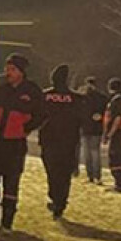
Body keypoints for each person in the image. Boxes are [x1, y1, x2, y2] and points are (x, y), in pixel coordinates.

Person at [0, 53, 46, 229]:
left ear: (21, 72)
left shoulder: (31, 90)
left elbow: (42, 114)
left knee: (11, 182)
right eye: (7, 68)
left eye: (13, 69)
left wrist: (25, 128)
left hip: (14, 144)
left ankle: (7, 221)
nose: (8, 72)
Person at [39, 64, 84, 218]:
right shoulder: (77, 98)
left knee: (52, 172)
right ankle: (61, 201)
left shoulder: (44, 96)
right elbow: (82, 119)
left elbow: (37, 116)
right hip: (69, 142)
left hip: (49, 141)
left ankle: (55, 197)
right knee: (64, 173)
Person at [79, 77, 109, 184]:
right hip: (96, 128)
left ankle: (90, 175)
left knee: (87, 153)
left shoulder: (83, 97)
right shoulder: (102, 97)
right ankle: (97, 176)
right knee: (95, 152)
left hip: (85, 128)